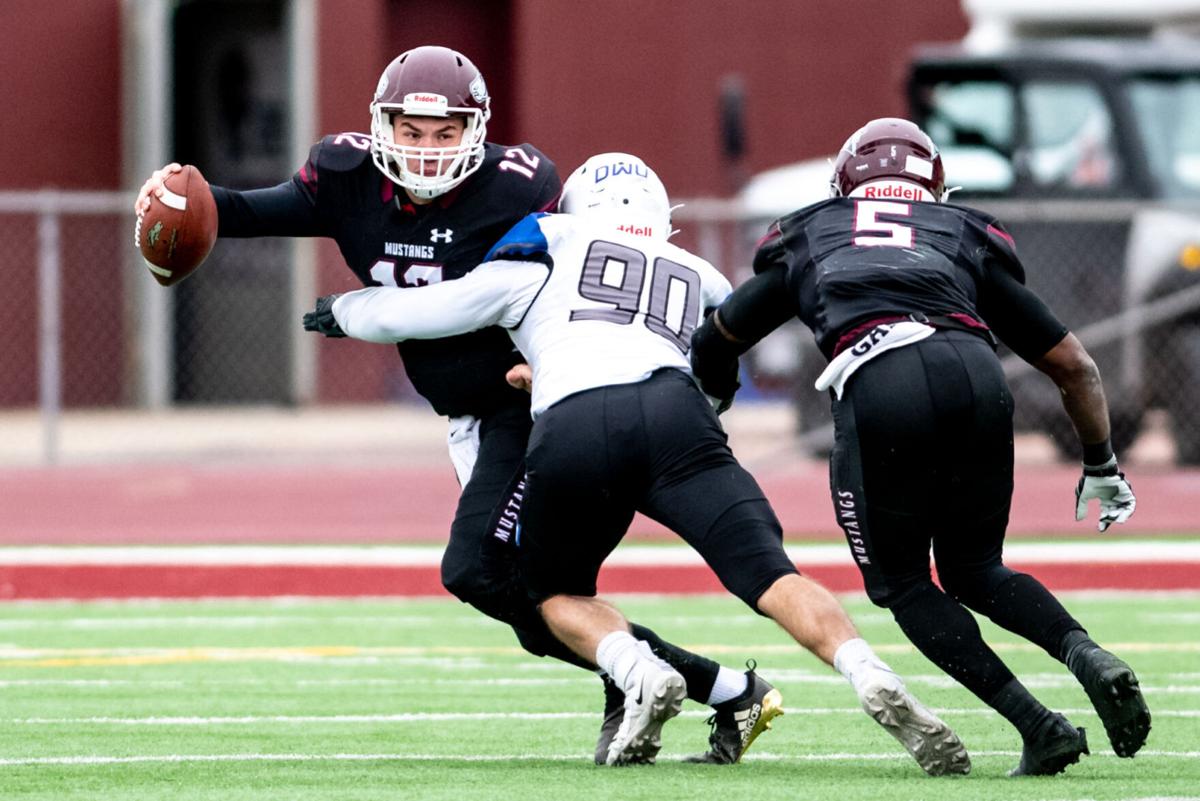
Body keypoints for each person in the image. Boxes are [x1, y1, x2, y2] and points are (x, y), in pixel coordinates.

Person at [134, 45, 768, 765]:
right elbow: (247, 211)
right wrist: (184, 196)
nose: (427, 150)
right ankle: (720, 690)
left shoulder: (518, 188)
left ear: (478, 130)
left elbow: (589, 282)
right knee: (534, 607)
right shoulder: (345, 176)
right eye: (411, 131)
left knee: (475, 569)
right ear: (382, 128)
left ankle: (658, 677)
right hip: (468, 417)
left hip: (528, 408)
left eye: (444, 133)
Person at [303, 151, 971, 774]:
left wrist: (345, 310)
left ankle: (636, 669)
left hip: (578, 424)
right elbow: (719, 359)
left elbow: (427, 310)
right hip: (680, 421)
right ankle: (866, 668)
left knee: (554, 592)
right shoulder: (698, 273)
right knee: (772, 574)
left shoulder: (547, 245)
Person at [689, 117, 1151, 777]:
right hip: (975, 373)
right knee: (977, 569)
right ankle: (1084, 652)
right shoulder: (963, 232)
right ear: (934, 184)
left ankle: (1038, 724)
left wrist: (711, 404)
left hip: (880, 378)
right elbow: (1075, 365)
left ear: (845, 183)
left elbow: (718, 339)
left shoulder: (813, 229)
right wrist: (1101, 461)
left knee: (905, 583)